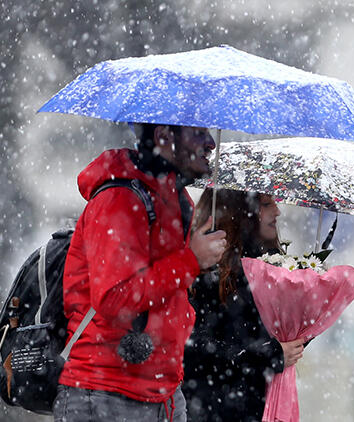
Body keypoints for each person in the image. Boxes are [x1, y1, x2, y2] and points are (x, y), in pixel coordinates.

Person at [53, 124, 228, 422]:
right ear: (163, 136)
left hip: (165, 393)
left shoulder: (176, 198)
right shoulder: (119, 199)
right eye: (198, 133)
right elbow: (114, 298)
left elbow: (165, 287)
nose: (210, 143)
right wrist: (191, 261)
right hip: (106, 396)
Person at [183, 189, 306, 422]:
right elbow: (194, 346)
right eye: (267, 204)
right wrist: (270, 355)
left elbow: (276, 339)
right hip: (208, 408)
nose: (277, 212)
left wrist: (303, 323)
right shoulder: (206, 269)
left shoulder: (271, 266)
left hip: (256, 406)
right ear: (241, 211)